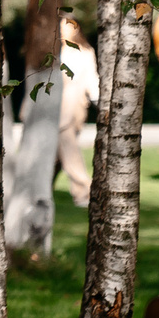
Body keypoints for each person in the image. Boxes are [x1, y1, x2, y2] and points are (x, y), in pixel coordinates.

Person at [58, 14, 101, 209]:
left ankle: (84, 191)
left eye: (65, 27)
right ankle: (32, 192)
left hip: (71, 106)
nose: (61, 31)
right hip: (61, 106)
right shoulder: (60, 51)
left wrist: (98, 101)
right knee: (55, 153)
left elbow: (92, 79)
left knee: (68, 149)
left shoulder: (80, 52)